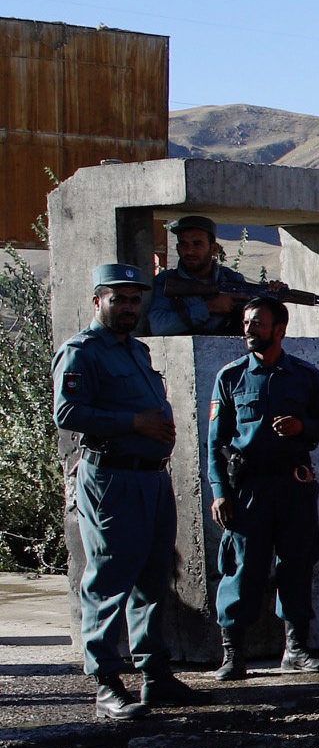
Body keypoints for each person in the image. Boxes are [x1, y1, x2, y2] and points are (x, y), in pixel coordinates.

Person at [52, 264, 209, 718]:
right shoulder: (82, 352)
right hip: (112, 479)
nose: (128, 307)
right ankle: (105, 683)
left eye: (134, 299)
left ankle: (154, 676)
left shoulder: (135, 351)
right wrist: (133, 423)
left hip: (151, 477)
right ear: (97, 301)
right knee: (108, 580)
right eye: (118, 299)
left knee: (153, 578)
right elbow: (68, 412)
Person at [205, 297, 319, 679]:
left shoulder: (305, 375)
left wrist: (303, 428)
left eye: (258, 323)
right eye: (246, 323)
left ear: (279, 329)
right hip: (248, 488)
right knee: (243, 568)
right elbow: (215, 442)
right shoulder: (230, 377)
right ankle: (233, 654)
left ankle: (296, 649)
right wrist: (219, 491)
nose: (249, 329)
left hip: (294, 485)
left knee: (297, 563)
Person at [146, 215, 284, 337]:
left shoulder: (233, 280)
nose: (189, 251)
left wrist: (271, 299)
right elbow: (158, 326)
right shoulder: (166, 282)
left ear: (213, 249)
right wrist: (209, 307)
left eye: (197, 244)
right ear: (177, 248)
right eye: (184, 244)